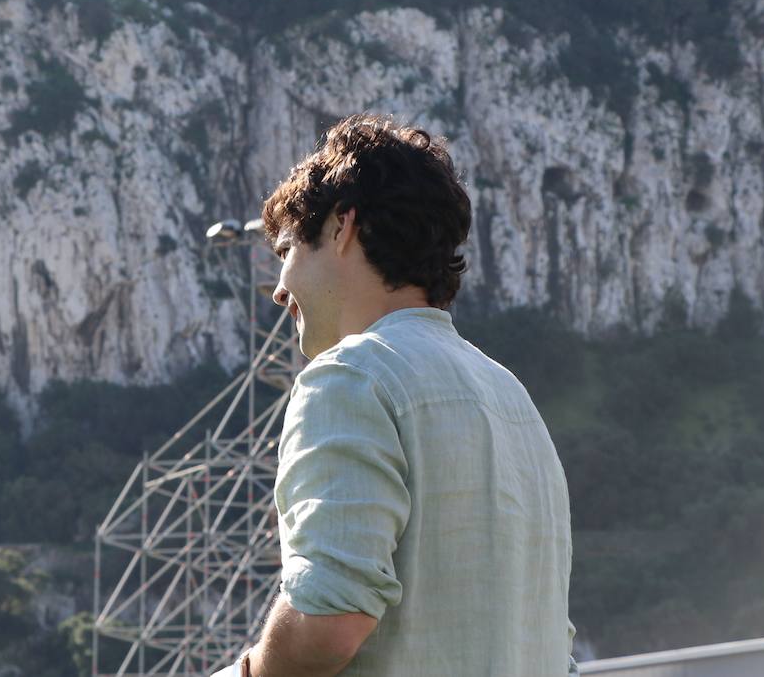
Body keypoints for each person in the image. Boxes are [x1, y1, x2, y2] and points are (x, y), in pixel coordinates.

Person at [210, 113, 577, 677]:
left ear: (341, 226)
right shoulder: (513, 401)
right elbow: (552, 641)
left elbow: (331, 620)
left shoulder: (351, 377)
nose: (280, 290)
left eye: (286, 251)